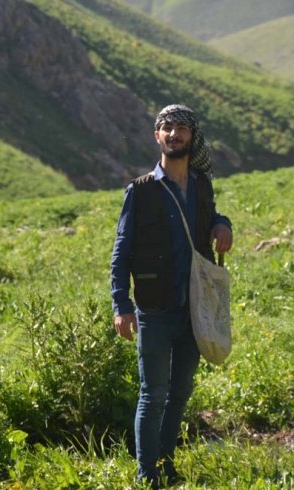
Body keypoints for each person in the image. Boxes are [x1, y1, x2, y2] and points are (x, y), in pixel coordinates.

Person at [110, 104, 233, 488]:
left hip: (194, 307)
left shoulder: (201, 184)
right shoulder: (142, 191)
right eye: (167, 128)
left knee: (180, 393)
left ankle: (166, 463)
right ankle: (147, 475)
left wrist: (222, 223)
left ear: (192, 138)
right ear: (157, 136)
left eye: (181, 129)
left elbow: (209, 215)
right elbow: (121, 250)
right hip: (154, 307)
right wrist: (121, 305)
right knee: (153, 394)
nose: (174, 134)